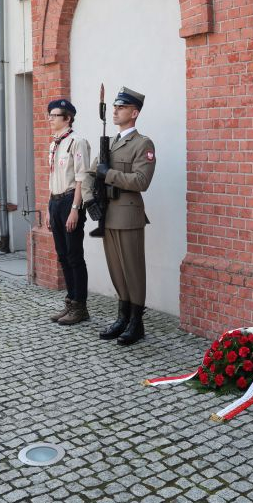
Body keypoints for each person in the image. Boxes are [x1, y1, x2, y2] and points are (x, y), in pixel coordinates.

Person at [82, 87, 156, 346]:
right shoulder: (110, 142)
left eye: (121, 107)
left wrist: (109, 174)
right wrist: (90, 197)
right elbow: (90, 175)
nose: (115, 111)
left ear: (134, 113)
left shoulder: (142, 143)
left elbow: (141, 181)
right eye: (114, 107)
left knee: (133, 270)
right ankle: (122, 317)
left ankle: (137, 322)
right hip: (107, 215)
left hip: (128, 216)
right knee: (116, 269)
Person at [46, 99, 92, 326]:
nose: (50, 119)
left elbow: (82, 178)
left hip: (70, 201)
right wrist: (48, 208)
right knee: (62, 254)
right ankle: (70, 302)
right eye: (50, 115)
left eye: (55, 115)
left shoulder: (77, 142)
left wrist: (75, 209)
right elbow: (52, 177)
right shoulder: (54, 144)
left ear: (68, 118)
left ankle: (80, 306)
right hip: (56, 202)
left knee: (74, 255)